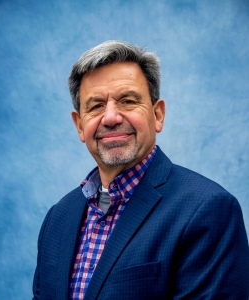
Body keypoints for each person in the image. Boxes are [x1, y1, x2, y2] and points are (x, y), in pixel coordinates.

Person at [32, 40, 249, 300]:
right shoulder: (57, 219)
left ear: (158, 115)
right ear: (80, 125)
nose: (111, 117)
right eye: (96, 106)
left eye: (128, 101)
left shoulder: (208, 209)